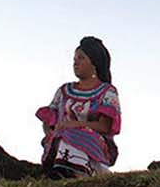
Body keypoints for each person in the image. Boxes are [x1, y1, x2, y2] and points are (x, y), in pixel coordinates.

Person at [35, 36, 121, 179]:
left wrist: (74, 125)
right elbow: (49, 118)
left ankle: (78, 169)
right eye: (74, 58)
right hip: (60, 140)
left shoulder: (107, 92)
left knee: (70, 133)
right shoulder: (64, 91)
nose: (75, 62)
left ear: (94, 63)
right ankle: (62, 168)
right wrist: (50, 132)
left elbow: (105, 126)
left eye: (81, 58)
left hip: (94, 144)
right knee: (62, 137)